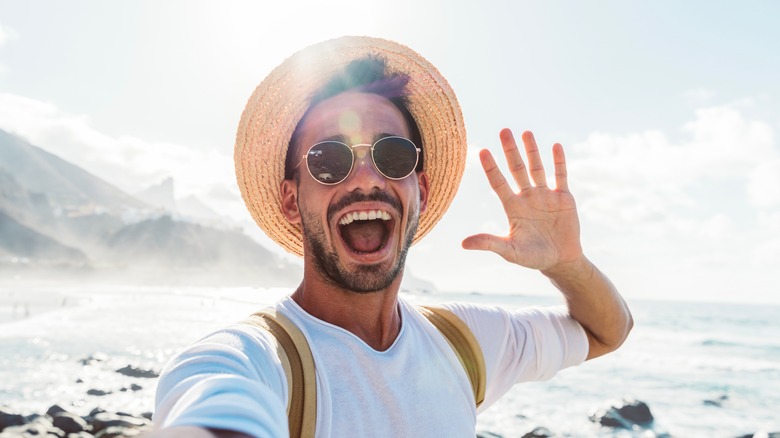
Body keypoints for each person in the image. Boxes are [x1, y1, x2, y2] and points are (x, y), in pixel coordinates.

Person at [148, 36, 633, 438]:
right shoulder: (252, 360)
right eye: (329, 159)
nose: (363, 178)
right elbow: (212, 412)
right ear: (292, 201)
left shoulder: (463, 342)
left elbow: (606, 332)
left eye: (393, 155)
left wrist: (567, 266)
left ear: (418, 187)